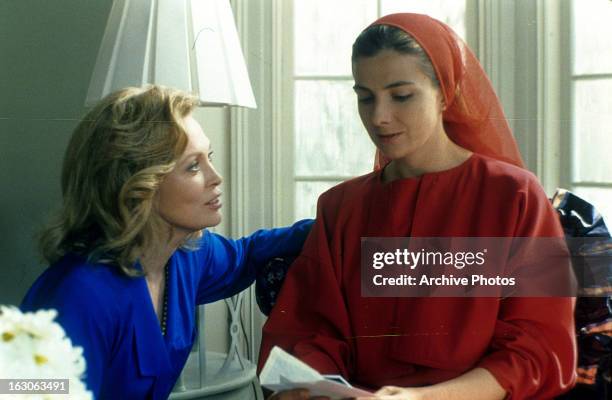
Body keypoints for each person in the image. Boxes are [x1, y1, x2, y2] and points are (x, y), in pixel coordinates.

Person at [258, 13, 576, 400]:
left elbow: (538, 349)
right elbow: (310, 334)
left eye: (401, 95)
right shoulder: (340, 208)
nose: (379, 117)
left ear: (445, 91)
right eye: (365, 97)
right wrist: (309, 386)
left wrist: (426, 398)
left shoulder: (516, 197)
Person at [20, 85, 312, 399]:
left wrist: (340, 218)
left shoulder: (185, 257)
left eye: (209, 157)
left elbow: (249, 253)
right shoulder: (79, 296)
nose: (216, 177)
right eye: (194, 166)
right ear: (139, 184)